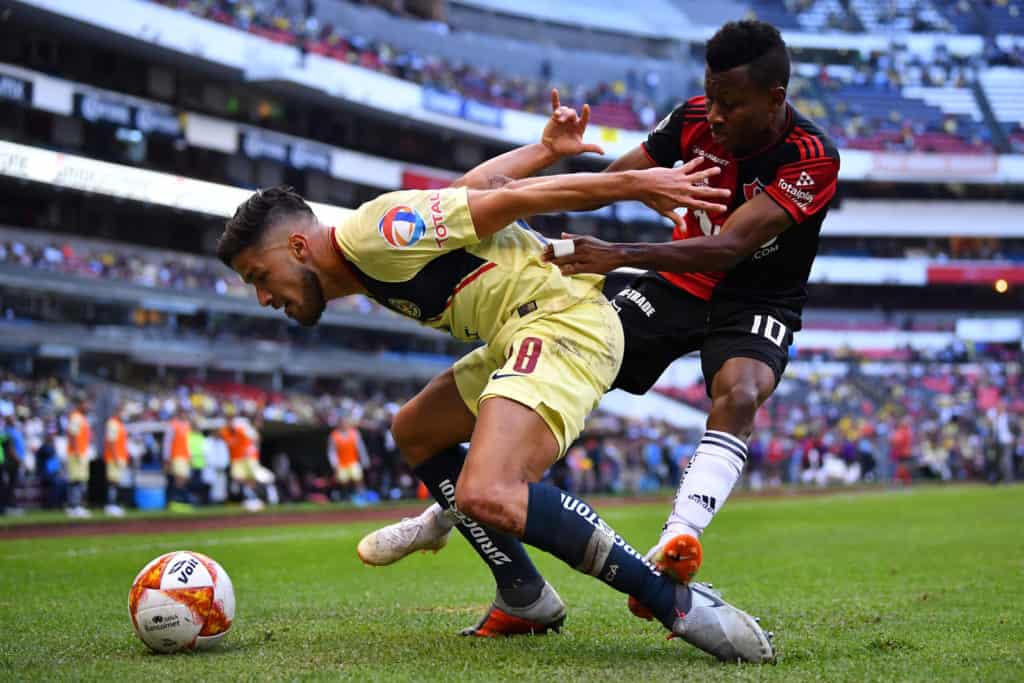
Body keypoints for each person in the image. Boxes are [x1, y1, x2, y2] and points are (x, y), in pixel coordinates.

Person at [360, 19, 838, 626]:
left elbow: (728, 249)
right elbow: (617, 178)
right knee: (561, 376)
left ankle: (677, 540)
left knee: (740, 392)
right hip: (671, 287)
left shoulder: (812, 158)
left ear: (775, 99)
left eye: (730, 104)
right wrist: (550, 174)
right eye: (711, 97)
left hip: (757, 299)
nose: (714, 116)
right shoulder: (692, 118)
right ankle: (449, 514)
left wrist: (619, 255)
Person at [215, 146, 774, 662]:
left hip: (561, 322)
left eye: (260, 277)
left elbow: (512, 199)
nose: (264, 298)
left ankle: (674, 602)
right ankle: (524, 593)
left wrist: (635, 182)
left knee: (489, 492)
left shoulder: (370, 235)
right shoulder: (376, 248)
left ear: (296, 248)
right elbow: (476, 188)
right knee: (416, 430)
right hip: (517, 332)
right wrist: (547, 149)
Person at [327, 417, 368, 501]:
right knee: (343, 481)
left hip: (353, 461)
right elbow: (332, 451)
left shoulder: (354, 433)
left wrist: (364, 459)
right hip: (341, 463)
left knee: (358, 479)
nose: (344, 425)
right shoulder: (334, 435)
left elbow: (360, 447)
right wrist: (334, 463)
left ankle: (362, 496)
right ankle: (347, 497)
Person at [66, 401, 93, 517]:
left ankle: (74, 506)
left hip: (81, 452)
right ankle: (75, 506)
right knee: (77, 481)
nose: (88, 406)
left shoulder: (81, 417)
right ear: (80, 404)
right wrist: (76, 450)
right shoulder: (76, 417)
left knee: (78, 480)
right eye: (85, 404)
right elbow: (72, 434)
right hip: (77, 453)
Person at [103, 405, 130, 516]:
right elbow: (111, 442)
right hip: (114, 458)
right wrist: (116, 457)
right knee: (113, 482)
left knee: (117, 482)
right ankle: (111, 505)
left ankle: (114, 504)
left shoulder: (119, 424)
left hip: (120, 457)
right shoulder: (112, 423)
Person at [164, 410, 192, 510]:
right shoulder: (173, 425)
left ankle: (175, 502)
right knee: (179, 478)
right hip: (176, 455)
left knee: (183, 479)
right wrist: (167, 458)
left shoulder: (187, 425)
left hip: (184, 457)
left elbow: (188, 442)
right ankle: (175, 502)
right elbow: (167, 442)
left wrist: (190, 455)